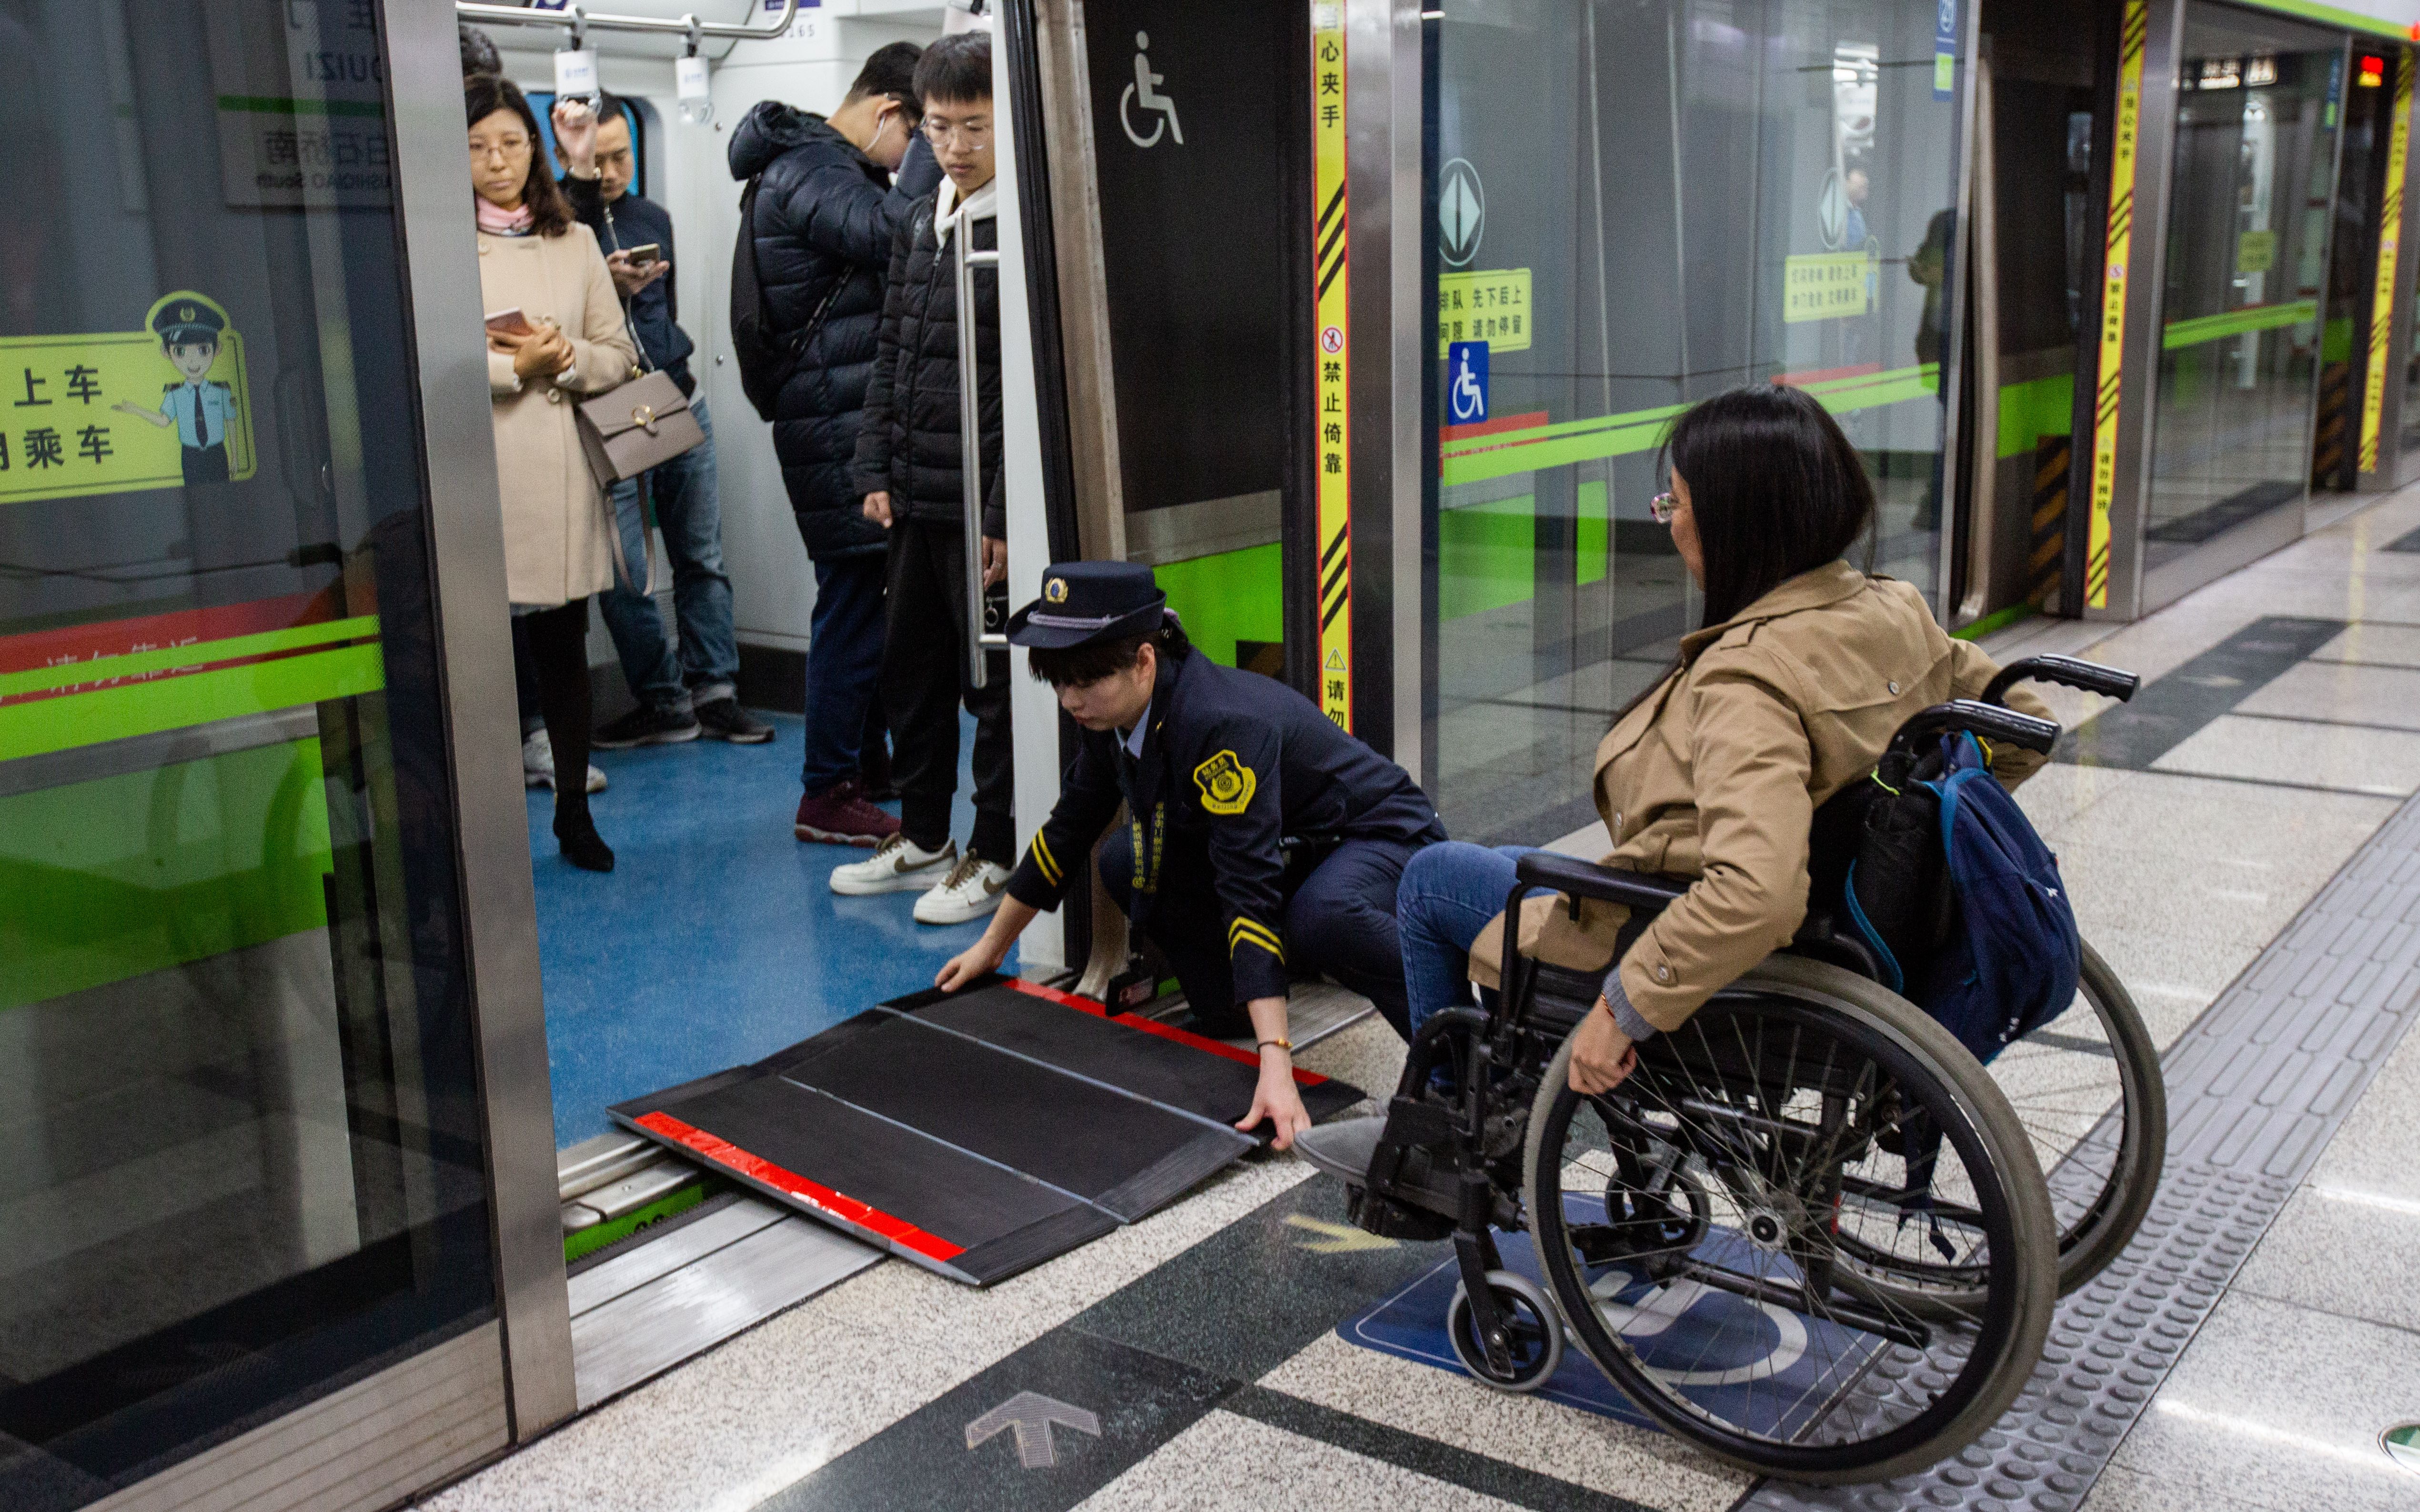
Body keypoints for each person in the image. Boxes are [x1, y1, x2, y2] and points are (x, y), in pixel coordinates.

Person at [1293, 384, 2051, 1180]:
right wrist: (1898, 817)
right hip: (1839, 926)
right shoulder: (1893, 608)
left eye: (1677, 500)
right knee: (1510, 863)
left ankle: (1452, 1128)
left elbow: (1758, 893)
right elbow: (2023, 724)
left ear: (1737, 521)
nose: (1669, 518)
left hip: (1695, 936)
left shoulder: (1749, 676)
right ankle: (1497, 1095)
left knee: (1429, 880)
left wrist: (1624, 1006)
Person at [934, 562, 1447, 1151]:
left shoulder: (1219, 723)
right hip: (1296, 851)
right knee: (1123, 861)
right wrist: (989, 949)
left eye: (1086, 681)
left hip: (1382, 839)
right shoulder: (1112, 715)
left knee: (1321, 914)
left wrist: (1275, 1066)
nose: (1070, 699)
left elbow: (1245, 885)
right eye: (1057, 681)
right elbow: (1068, 829)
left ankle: (1456, 1053)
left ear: (1144, 662)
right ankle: (1233, 1006)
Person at [727, 44, 943, 844]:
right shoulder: (810, 172)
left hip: (838, 417)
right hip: (835, 424)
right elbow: (893, 235)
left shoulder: (818, 166)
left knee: (871, 599)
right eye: (926, 132)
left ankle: (867, 762)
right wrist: (928, 160)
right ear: (892, 114)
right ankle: (827, 789)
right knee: (853, 602)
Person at [831, 33, 1014, 922]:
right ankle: (927, 831)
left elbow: (1024, 385)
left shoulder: (1018, 225)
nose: (955, 146)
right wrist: (876, 466)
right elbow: (892, 350)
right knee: (912, 673)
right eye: (940, 127)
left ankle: (996, 848)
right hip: (914, 493)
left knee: (993, 688)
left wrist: (1003, 510)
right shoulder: (920, 217)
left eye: (974, 127)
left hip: (979, 500)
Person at [552, 94, 771, 750]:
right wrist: (604, 288)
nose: (613, 170)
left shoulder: (652, 217)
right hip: (605, 410)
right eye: (599, 157)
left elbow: (659, 316)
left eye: (624, 156)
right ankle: (664, 700)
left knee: (701, 557)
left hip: (671, 395)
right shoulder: (561, 224)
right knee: (625, 574)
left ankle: (717, 692)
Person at [468, 76, 636, 873]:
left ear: (533, 147)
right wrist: (510, 370)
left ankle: (574, 809)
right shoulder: (433, 243)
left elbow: (619, 352)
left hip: (561, 468)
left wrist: (563, 362)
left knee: (563, 649)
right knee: (474, 657)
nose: (497, 161)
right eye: (476, 146)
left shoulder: (571, 241)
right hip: (474, 470)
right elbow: (423, 366)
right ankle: (479, 822)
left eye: (510, 142)